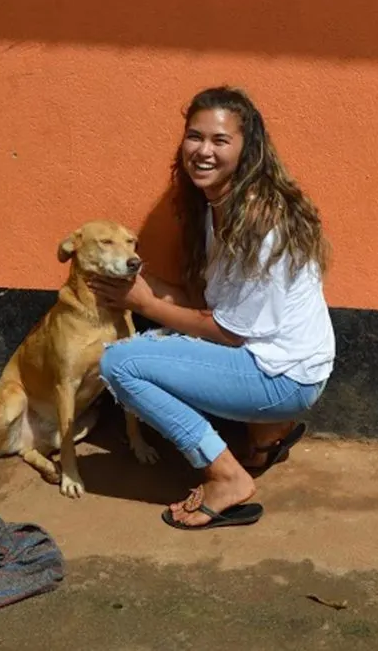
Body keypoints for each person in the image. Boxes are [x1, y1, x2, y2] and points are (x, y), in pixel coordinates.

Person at [92, 86, 335, 530]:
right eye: (194, 137)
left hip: (282, 377)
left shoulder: (263, 223)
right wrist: (145, 288)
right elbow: (213, 307)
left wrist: (144, 302)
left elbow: (227, 331)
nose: (203, 151)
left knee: (119, 364)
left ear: (248, 150)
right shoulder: (220, 207)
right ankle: (265, 437)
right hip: (276, 362)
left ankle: (226, 477)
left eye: (220, 141)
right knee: (158, 340)